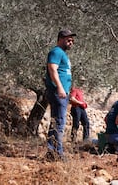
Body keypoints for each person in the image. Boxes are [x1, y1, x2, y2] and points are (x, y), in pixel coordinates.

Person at [45, 29, 76, 161]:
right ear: (60, 39)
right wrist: (60, 88)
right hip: (59, 93)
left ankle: (52, 152)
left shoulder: (62, 54)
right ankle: (58, 153)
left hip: (62, 93)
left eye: (72, 40)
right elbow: (52, 70)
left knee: (56, 122)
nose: (71, 42)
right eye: (68, 40)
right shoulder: (56, 52)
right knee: (59, 123)